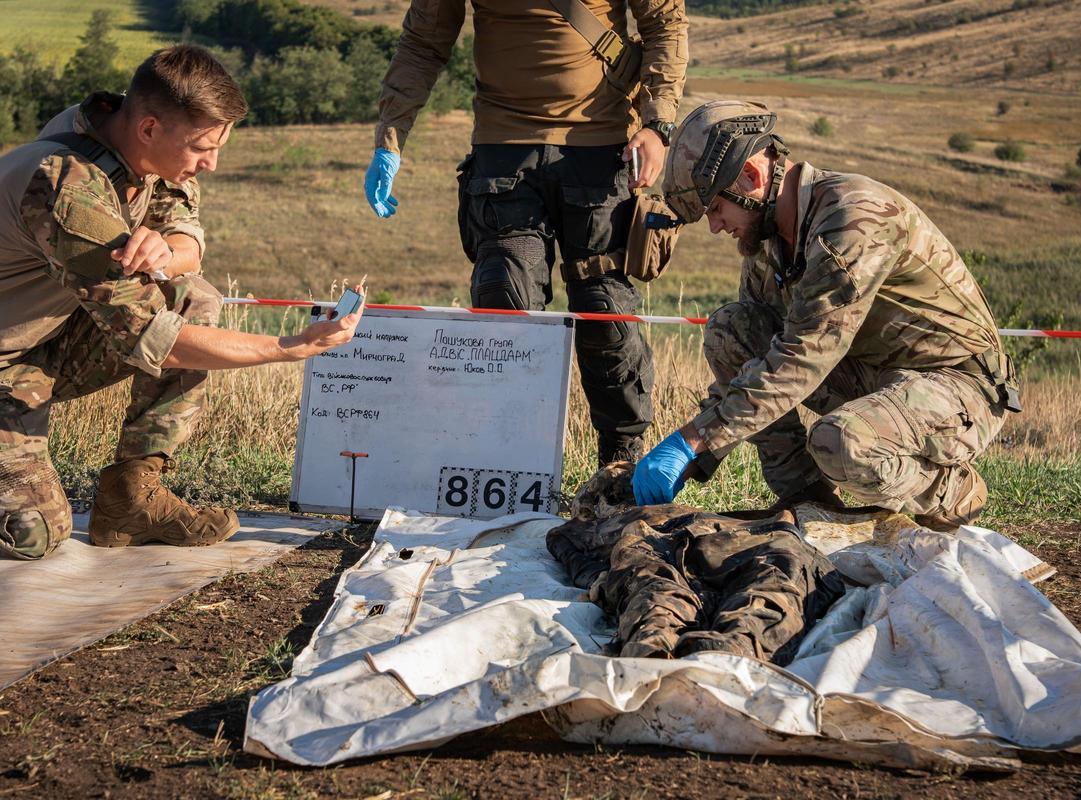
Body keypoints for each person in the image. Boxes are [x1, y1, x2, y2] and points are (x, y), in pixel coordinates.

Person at [0, 45, 364, 561]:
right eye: (201, 149)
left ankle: (131, 497)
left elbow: (188, 246)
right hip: (8, 367)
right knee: (34, 535)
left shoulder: (127, 135)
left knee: (193, 297)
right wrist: (289, 347)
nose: (211, 164)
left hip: (37, 348)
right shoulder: (69, 187)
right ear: (149, 128)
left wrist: (165, 250)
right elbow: (157, 343)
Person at [631, 100, 1022, 531]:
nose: (716, 227)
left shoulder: (854, 219)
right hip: (872, 374)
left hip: (955, 385)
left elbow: (801, 359)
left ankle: (951, 494)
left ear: (751, 177)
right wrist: (694, 459)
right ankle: (809, 501)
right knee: (732, 331)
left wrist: (693, 439)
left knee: (842, 443)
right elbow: (754, 365)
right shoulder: (768, 246)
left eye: (715, 209)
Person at [363, 0, 688, 466]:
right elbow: (423, 42)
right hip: (503, 152)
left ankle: (621, 464)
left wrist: (658, 125)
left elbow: (665, 24)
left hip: (602, 148)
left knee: (604, 310)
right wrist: (390, 139)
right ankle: (507, 462)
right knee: (505, 303)